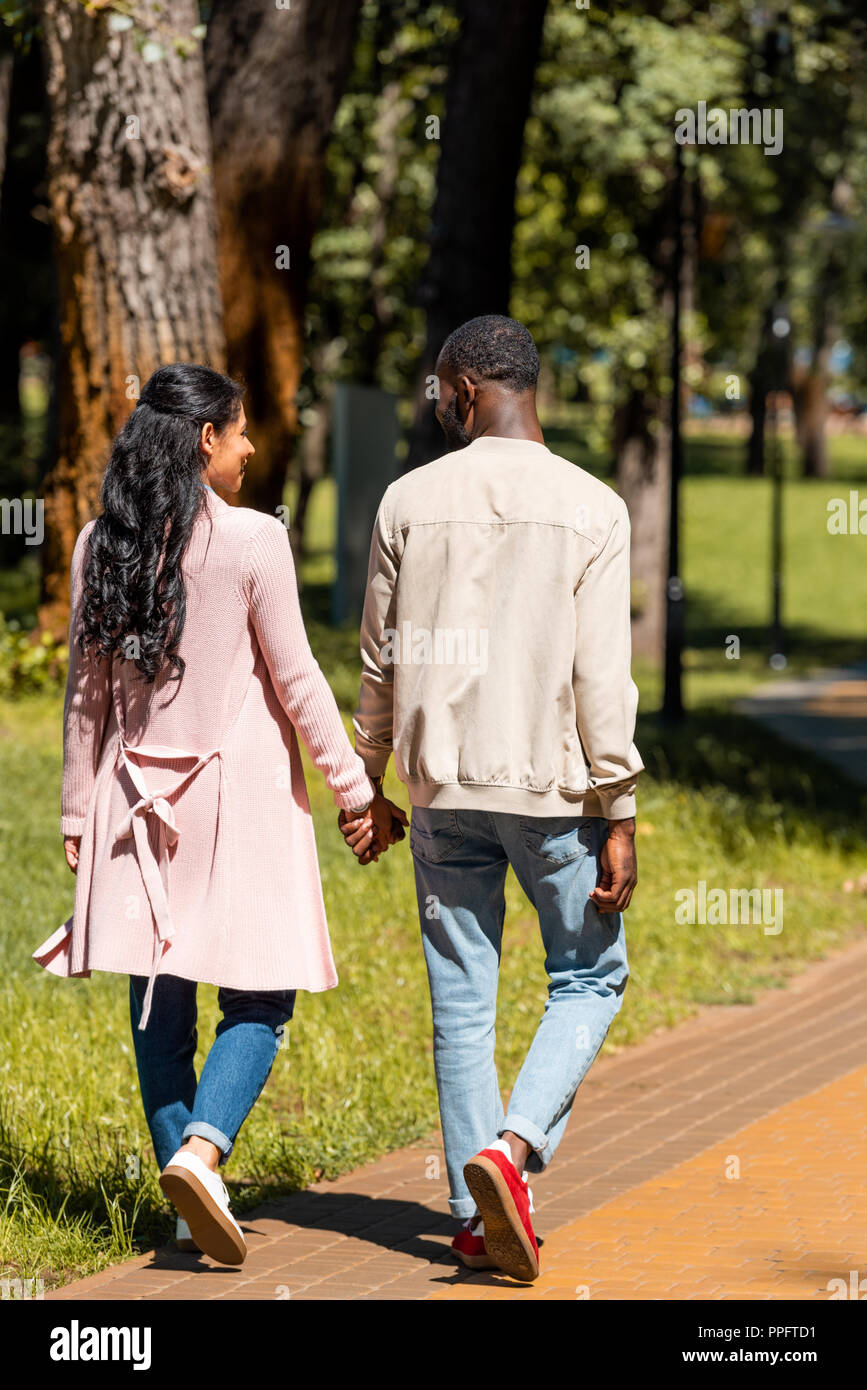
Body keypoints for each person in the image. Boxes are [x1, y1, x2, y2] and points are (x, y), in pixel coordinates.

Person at [33, 362, 401, 1266]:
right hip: (232, 801)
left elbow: (86, 698)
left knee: (158, 993)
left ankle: (180, 1196)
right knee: (260, 992)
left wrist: (80, 814)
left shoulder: (98, 544)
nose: (248, 447)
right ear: (205, 441)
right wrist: (357, 792)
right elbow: (299, 680)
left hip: (131, 800)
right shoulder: (251, 542)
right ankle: (202, 1152)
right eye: (238, 433)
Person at [340, 315, 643, 1281]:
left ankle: (473, 1222)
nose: (435, 405)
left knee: (461, 1002)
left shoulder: (406, 501)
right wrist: (620, 807)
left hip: (439, 792)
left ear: (465, 391)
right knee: (589, 977)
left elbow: (378, 660)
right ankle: (507, 1156)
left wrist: (370, 775)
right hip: (550, 792)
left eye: (437, 391)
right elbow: (603, 678)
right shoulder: (592, 507)